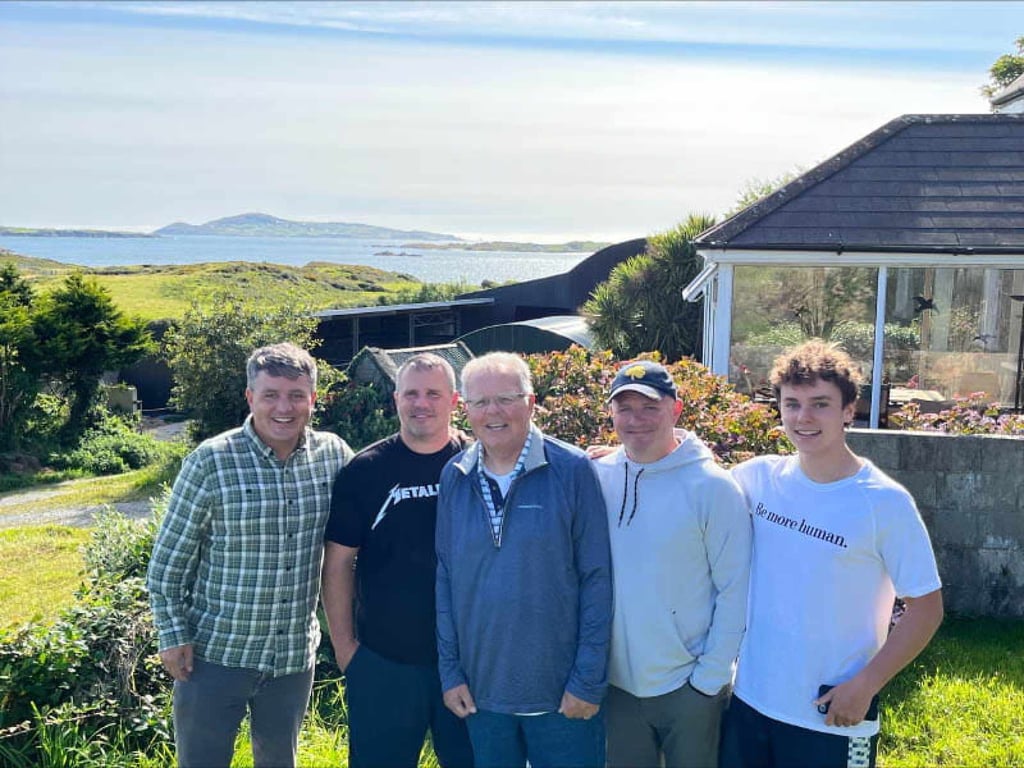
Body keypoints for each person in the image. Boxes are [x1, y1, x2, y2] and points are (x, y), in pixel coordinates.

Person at [721, 340, 944, 768]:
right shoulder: (754, 479)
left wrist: (866, 685)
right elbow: (692, 486)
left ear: (848, 410)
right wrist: (620, 459)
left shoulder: (883, 503)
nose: (803, 418)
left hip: (833, 714)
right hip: (750, 703)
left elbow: (925, 609)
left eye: (820, 404)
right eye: (792, 404)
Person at [147, 342, 354, 768]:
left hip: (293, 659)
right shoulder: (211, 462)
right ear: (250, 398)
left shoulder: (334, 456)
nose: (285, 407)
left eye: (297, 395)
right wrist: (172, 636)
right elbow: (168, 565)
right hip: (213, 657)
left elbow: (372, 515)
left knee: (279, 762)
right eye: (271, 395)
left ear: (313, 399)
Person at [435, 351, 612, 768]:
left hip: (562, 697)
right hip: (482, 697)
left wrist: (587, 680)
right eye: (479, 402)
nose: (492, 412)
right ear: (464, 409)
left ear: (531, 402)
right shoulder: (454, 475)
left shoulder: (571, 470)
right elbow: (446, 578)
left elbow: (597, 579)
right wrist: (451, 672)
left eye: (506, 399)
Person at [591, 360, 751, 768]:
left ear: (676, 410)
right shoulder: (597, 475)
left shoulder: (713, 487)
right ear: (610, 414)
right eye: (624, 408)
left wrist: (709, 680)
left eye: (649, 407)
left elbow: (736, 589)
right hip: (618, 688)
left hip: (689, 687)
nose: (636, 420)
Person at [321, 353, 474, 768]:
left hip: (467, 663)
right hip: (385, 662)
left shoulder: (478, 464)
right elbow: (337, 564)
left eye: (433, 393)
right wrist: (346, 649)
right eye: (411, 393)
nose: (421, 403)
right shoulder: (366, 470)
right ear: (396, 399)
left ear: (454, 401)